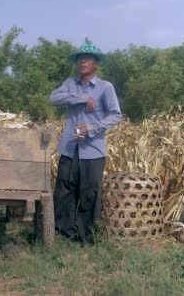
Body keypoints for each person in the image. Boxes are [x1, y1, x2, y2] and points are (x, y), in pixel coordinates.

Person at [49, 41, 122, 244]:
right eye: (80, 58)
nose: (82, 61)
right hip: (70, 148)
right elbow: (54, 98)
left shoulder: (105, 87)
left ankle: (86, 236)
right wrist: (81, 98)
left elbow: (116, 115)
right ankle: (63, 232)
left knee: (89, 192)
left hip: (93, 150)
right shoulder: (70, 84)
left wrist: (91, 129)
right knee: (64, 189)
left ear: (96, 64)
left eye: (87, 58)